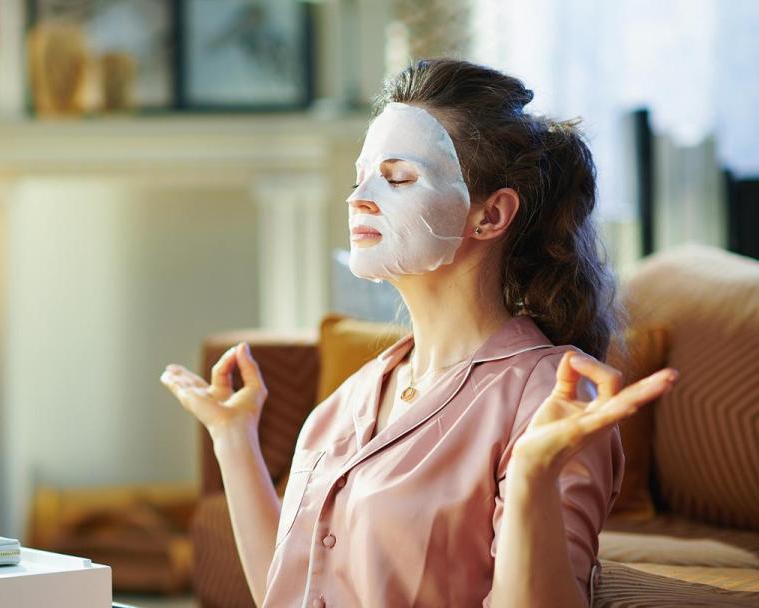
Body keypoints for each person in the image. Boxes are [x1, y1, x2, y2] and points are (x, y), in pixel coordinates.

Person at [161, 58, 678, 607]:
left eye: (398, 178)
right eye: (360, 176)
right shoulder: (346, 403)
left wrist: (532, 476)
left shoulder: (552, 400)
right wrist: (233, 438)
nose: (358, 197)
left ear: (490, 215)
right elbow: (288, 591)